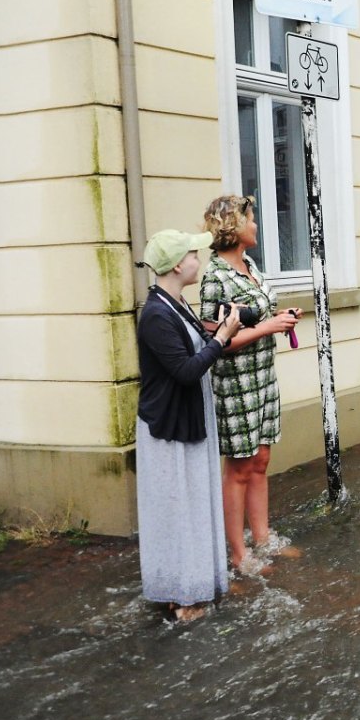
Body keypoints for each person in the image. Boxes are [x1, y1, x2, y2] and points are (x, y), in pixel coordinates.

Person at [135, 229, 243, 622]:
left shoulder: (175, 302)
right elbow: (183, 371)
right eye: (195, 255)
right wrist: (223, 339)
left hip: (187, 419)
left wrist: (217, 331)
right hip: (169, 427)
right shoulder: (156, 315)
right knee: (176, 508)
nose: (200, 260)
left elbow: (193, 347)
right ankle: (181, 597)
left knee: (192, 504)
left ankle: (191, 585)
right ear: (179, 264)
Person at [199, 195, 302, 572]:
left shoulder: (249, 265)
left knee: (260, 460)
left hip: (262, 378)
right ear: (233, 226)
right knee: (239, 468)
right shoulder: (215, 277)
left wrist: (280, 317)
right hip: (236, 385)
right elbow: (217, 341)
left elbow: (255, 317)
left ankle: (263, 538)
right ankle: (240, 556)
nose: (256, 225)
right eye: (251, 219)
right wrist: (268, 327)